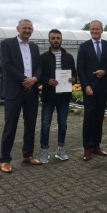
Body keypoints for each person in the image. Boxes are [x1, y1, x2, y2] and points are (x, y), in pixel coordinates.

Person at [0, 19, 43, 173]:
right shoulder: (7, 44)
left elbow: (39, 66)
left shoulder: (34, 46)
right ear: (18, 28)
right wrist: (25, 80)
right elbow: (7, 65)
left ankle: (27, 155)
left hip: (31, 92)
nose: (27, 30)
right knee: (10, 126)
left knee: (30, 125)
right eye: (24, 28)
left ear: (32, 30)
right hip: (14, 91)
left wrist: (34, 79)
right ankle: (4, 160)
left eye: (29, 28)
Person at [77, 20, 107, 161]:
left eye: (97, 29)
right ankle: (87, 147)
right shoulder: (84, 46)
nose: (94, 31)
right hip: (89, 88)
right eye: (92, 29)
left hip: (103, 87)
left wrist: (105, 72)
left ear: (102, 30)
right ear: (90, 30)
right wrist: (85, 85)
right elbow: (80, 68)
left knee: (99, 117)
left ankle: (96, 145)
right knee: (88, 118)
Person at [39, 29, 77, 163]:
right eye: (53, 38)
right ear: (49, 40)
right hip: (49, 95)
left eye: (58, 38)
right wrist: (47, 81)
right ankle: (44, 151)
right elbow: (39, 75)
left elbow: (74, 74)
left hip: (64, 96)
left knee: (63, 123)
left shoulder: (69, 57)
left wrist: (73, 79)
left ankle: (60, 149)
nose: (56, 40)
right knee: (45, 124)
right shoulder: (43, 57)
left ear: (61, 40)